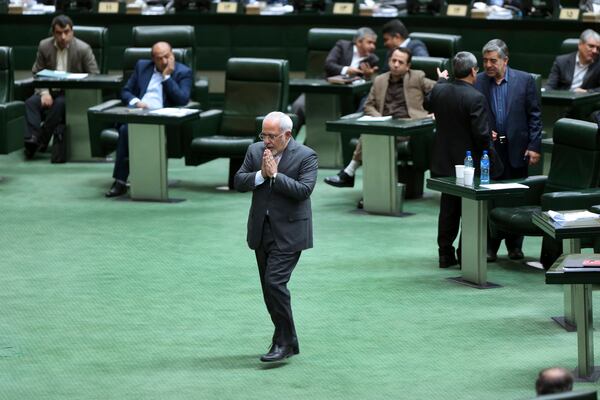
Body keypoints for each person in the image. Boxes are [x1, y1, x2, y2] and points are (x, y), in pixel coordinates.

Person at [234, 111, 318, 362]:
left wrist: (275, 176)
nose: (267, 141)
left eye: (272, 136)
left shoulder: (306, 156)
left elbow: (304, 191)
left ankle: (282, 341)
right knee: (268, 289)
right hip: (261, 229)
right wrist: (260, 175)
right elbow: (239, 181)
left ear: (287, 135)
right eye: (264, 134)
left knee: (274, 284)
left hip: (291, 232)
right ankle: (288, 340)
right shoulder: (254, 151)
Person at [323, 47, 445, 190]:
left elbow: (440, 91)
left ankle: (350, 173)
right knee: (375, 134)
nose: (396, 64)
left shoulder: (417, 77)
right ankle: (376, 190)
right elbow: (368, 105)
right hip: (385, 123)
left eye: (401, 62)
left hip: (408, 126)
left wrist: (437, 108)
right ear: (388, 61)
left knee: (374, 136)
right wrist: (380, 118)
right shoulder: (380, 80)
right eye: (393, 60)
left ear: (408, 66)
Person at [424, 52, 499, 268]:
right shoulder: (475, 97)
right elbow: (482, 135)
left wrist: (440, 80)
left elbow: (429, 103)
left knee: (448, 208)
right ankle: (466, 254)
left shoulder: (440, 90)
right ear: (474, 70)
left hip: (443, 161)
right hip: (468, 165)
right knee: (470, 209)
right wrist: (492, 160)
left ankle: (445, 254)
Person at [474, 39, 542, 262]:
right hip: (490, 151)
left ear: (505, 60)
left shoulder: (525, 81)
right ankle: (491, 247)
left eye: (493, 60)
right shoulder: (479, 81)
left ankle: (515, 247)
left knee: (517, 198)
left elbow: (534, 116)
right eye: (485, 60)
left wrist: (534, 146)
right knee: (492, 199)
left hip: (518, 149)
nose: (488, 65)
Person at [105, 41, 193, 198]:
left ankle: (120, 181)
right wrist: (136, 102)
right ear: (153, 59)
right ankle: (121, 181)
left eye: (168, 56)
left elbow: (182, 99)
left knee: (127, 131)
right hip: (139, 113)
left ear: (172, 55)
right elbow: (125, 92)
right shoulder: (142, 67)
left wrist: (167, 77)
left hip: (163, 119)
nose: (165, 61)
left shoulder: (183, 71)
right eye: (160, 58)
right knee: (127, 129)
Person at [24, 14, 99, 160]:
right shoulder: (44, 46)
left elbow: (94, 76)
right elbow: (36, 72)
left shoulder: (83, 49)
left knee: (59, 104)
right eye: (59, 33)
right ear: (53, 33)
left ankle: (39, 141)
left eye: (66, 32)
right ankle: (32, 138)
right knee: (31, 103)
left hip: (72, 94)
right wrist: (44, 92)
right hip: (49, 91)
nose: (63, 37)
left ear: (72, 32)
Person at [292, 27, 379, 128]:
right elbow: (329, 64)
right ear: (359, 42)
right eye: (370, 42)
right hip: (325, 86)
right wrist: (346, 70)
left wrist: (367, 76)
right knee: (299, 105)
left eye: (374, 43)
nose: (373, 46)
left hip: (346, 97)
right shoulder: (343, 46)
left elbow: (367, 87)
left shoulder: (373, 59)